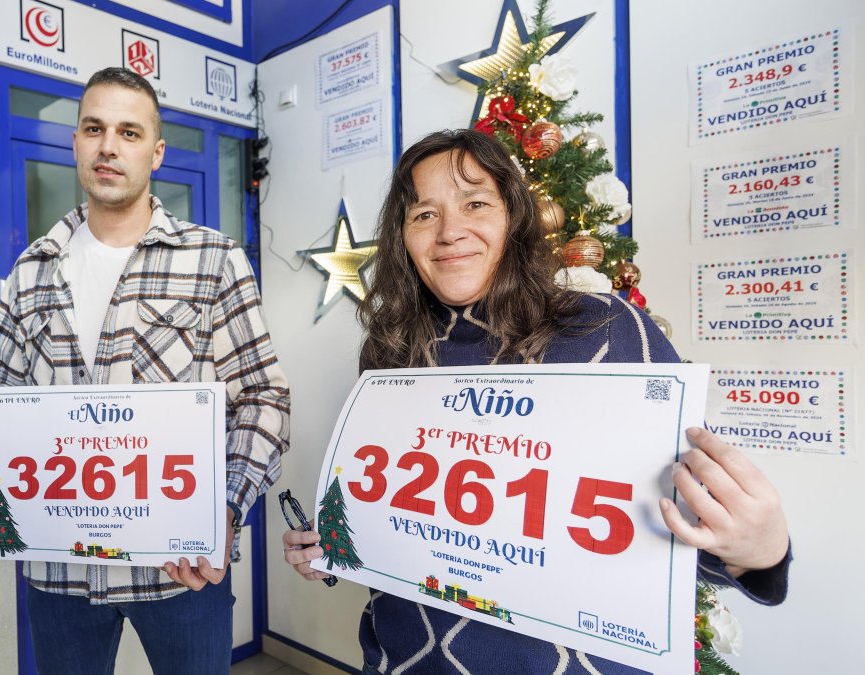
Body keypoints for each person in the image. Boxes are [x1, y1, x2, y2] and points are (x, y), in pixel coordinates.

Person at [282, 129, 790, 674]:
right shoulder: (389, 352)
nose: (450, 232)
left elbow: (690, 521)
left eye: (476, 203)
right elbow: (401, 525)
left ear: (516, 219)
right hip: (405, 658)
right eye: (423, 214)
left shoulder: (607, 329)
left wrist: (761, 552)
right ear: (402, 236)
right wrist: (335, 546)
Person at [0, 67, 290, 675]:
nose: (108, 145)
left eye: (129, 132)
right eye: (94, 128)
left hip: (180, 573)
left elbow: (263, 399)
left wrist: (226, 510)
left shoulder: (214, 260)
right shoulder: (32, 270)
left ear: (155, 153)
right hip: (60, 573)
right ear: (75, 142)